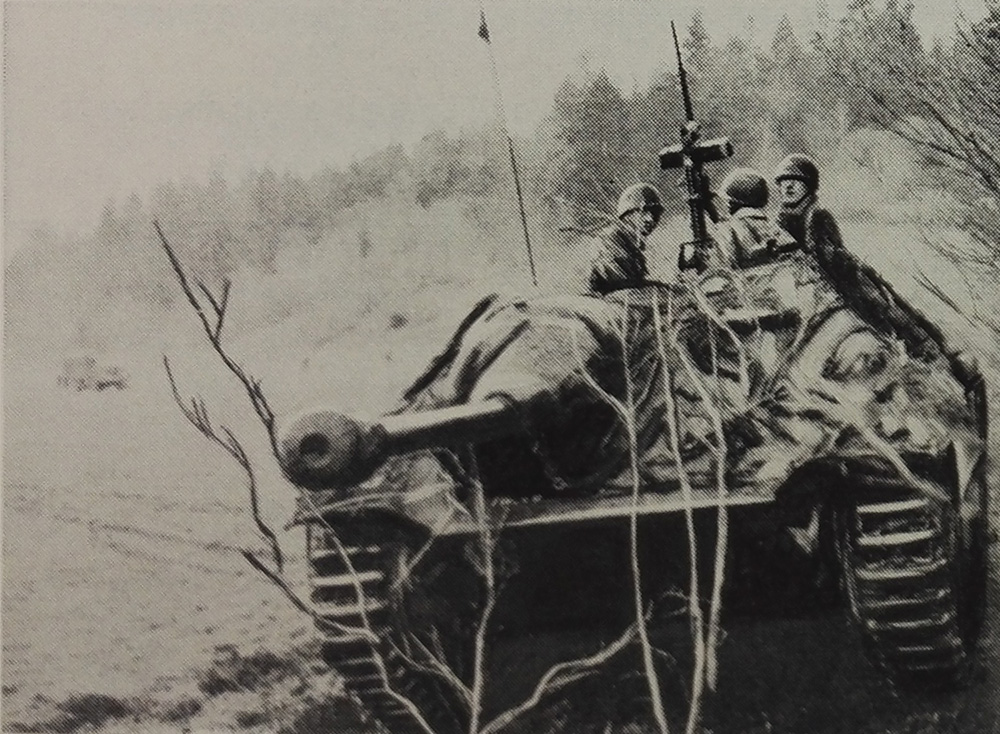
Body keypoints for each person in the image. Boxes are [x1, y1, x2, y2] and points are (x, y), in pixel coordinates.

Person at [773, 154, 980, 390]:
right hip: (819, 292)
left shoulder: (817, 216)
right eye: (783, 181)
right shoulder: (780, 221)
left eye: (795, 180)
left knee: (895, 318)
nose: (788, 186)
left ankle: (946, 368)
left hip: (847, 284)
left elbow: (831, 259)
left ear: (808, 186)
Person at [711, 167, 797, 269]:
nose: (727, 203)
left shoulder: (738, 222)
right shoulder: (766, 220)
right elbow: (789, 242)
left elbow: (749, 251)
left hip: (754, 276)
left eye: (729, 200)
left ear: (735, 201)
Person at [589, 183, 664, 295]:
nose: (650, 219)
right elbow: (626, 287)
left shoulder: (632, 244)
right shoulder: (609, 239)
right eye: (643, 212)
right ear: (627, 214)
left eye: (655, 213)